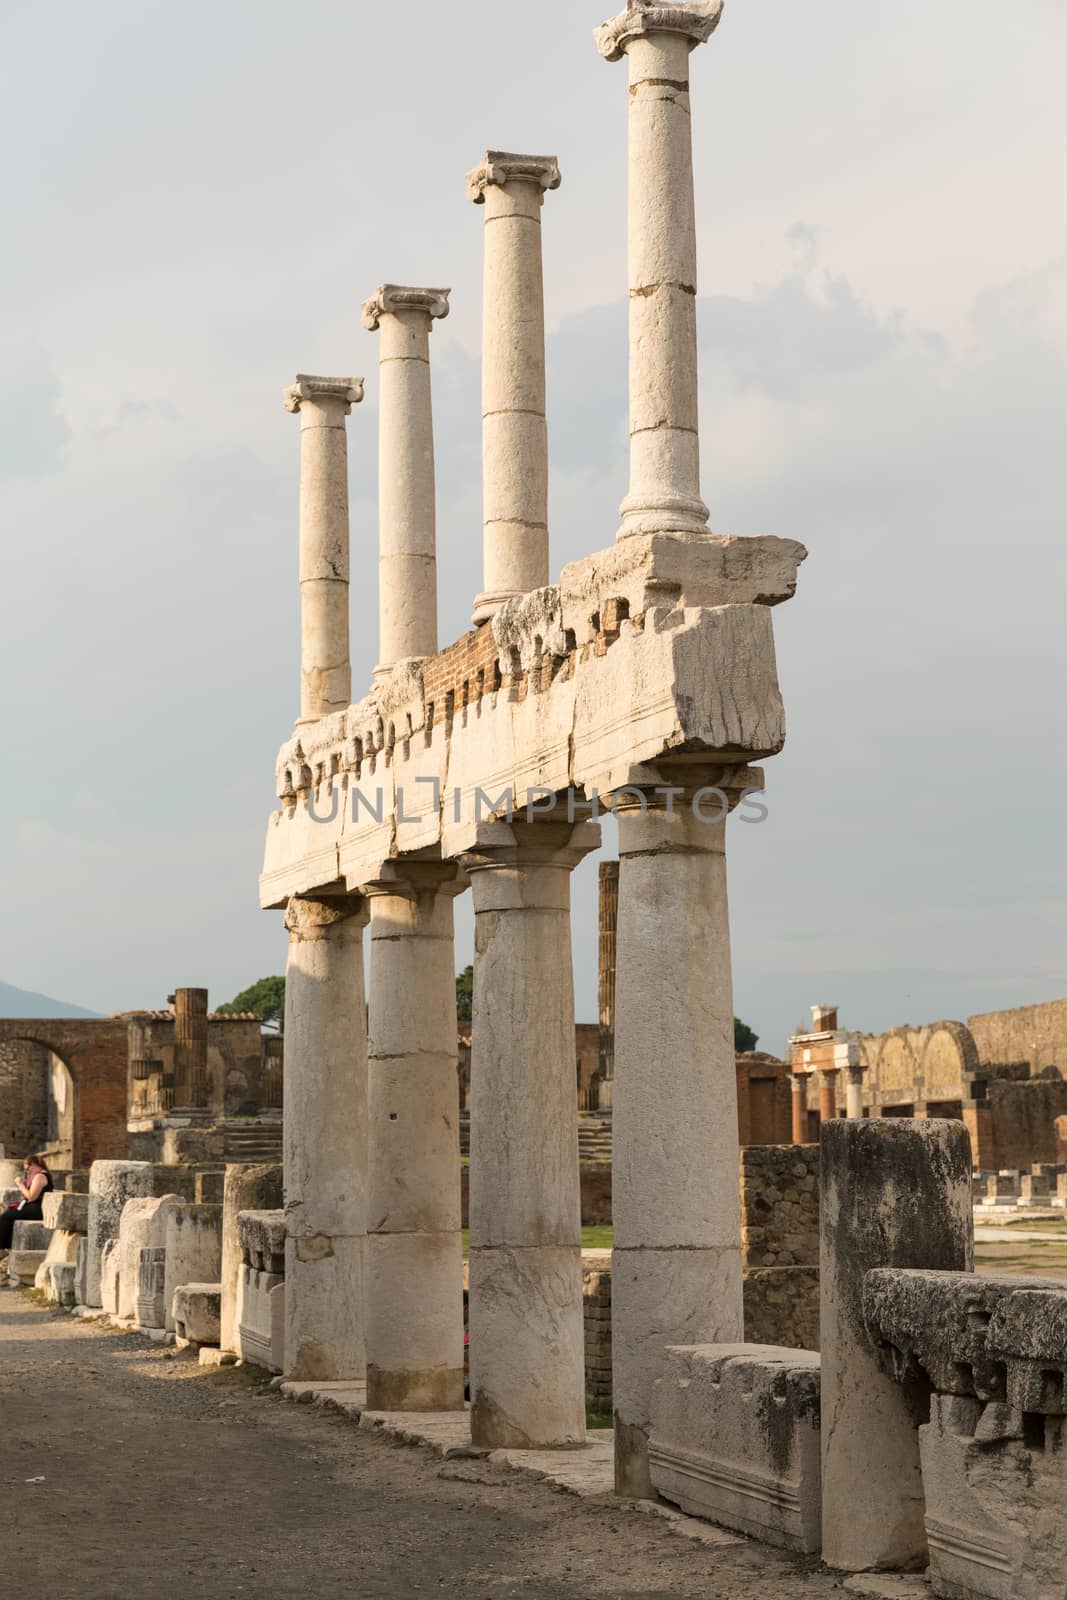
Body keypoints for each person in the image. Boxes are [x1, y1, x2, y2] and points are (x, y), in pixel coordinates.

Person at [0, 1154, 55, 1255]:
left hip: (38, 1209)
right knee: (8, 1215)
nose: (27, 1171)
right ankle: (5, 1247)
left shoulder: (40, 1176)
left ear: (34, 1165)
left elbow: (31, 1197)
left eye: (28, 1168)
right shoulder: (38, 1175)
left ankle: (2, 1249)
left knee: (5, 1217)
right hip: (34, 1206)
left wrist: (20, 1184)